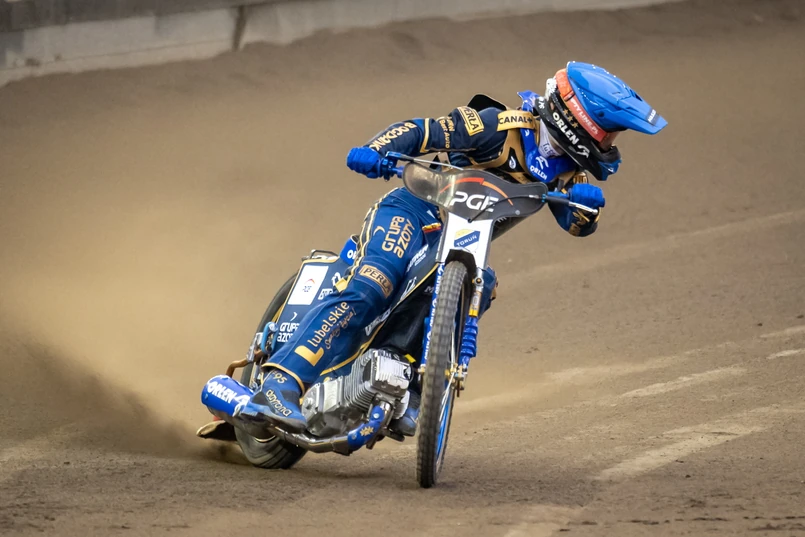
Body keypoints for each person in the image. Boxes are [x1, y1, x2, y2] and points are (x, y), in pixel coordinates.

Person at [241, 61, 667, 433]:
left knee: (484, 284)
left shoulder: (566, 172)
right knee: (376, 281)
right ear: (579, 123)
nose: (610, 145)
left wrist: (586, 210)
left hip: (461, 242)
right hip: (413, 211)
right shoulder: (497, 126)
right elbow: (423, 130)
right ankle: (279, 385)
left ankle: (413, 385)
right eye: (609, 134)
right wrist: (376, 150)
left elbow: (575, 224)